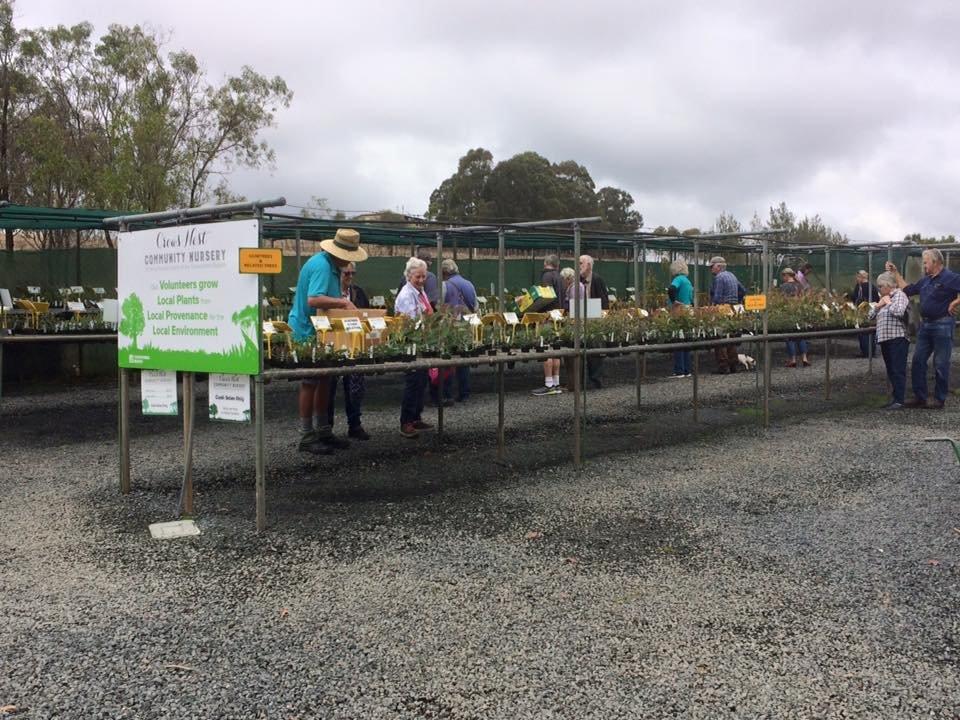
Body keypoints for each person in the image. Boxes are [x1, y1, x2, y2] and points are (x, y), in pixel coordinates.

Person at [287, 228, 368, 454]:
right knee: (311, 380)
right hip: (307, 331)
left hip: (321, 330)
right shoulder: (323, 266)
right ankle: (306, 435)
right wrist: (343, 303)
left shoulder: (330, 266)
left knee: (325, 379)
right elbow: (313, 299)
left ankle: (323, 430)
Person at [887, 249, 960, 409]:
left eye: (926, 262)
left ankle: (939, 399)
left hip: (943, 324)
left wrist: (955, 303)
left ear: (936, 262)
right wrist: (896, 273)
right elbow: (908, 289)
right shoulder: (926, 280)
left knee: (941, 363)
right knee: (918, 361)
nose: (924, 265)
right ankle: (920, 397)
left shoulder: (951, 277)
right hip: (925, 326)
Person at [325, 262, 370, 440]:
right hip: (334, 345)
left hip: (354, 344)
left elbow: (365, 313)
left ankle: (355, 424)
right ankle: (327, 426)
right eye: (346, 273)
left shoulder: (358, 292)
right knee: (329, 387)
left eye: (353, 273)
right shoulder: (330, 294)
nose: (350, 277)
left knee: (355, 387)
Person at [395, 257, 435, 438]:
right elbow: (411, 323)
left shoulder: (420, 292)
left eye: (423, 276)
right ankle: (406, 422)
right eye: (417, 277)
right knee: (413, 382)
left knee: (421, 381)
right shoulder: (406, 295)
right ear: (409, 276)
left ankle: (416, 417)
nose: (421, 280)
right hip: (411, 342)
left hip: (422, 341)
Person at [434, 258, 477, 403]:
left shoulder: (444, 285)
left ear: (444, 272)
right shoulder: (469, 284)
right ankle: (464, 393)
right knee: (464, 360)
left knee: (448, 360)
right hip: (467, 326)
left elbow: (439, 307)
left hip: (450, 327)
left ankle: (447, 394)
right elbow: (476, 307)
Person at [868, 272, 910, 409]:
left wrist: (888, 302)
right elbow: (869, 316)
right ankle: (895, 399)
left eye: (880, 286)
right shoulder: (883, 298)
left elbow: (899, 312)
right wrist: (878, 306)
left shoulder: (900, 295)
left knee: (898, 369)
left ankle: (899, 400)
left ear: (888, 285)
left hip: (897, 337)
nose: (879, 288)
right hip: (886, 339)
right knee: (891, 370)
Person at [532, 254, 565, 396]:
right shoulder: (560, 277)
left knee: (546, 350)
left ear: (545, 263)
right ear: (557, 265)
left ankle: (549, 384)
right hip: (558, 315)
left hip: (547, 316)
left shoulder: (547, 276)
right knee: (556, 350)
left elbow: (545, 297)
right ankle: (556, 383)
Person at [708, 255, 746, 374]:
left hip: (723, 308)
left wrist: (712, 309)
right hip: (734, 309)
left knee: (720, 338)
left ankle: (723, 366)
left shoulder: (719, 278)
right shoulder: (732, 276)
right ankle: (734, 364)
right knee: (732, 337)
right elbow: (743, 290)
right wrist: (737, 301)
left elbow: (718, 297)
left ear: (718, 266)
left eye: (712, 266)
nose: (711, 269)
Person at [579, 254, 609, 388]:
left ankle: (596, 381)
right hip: (580, 318)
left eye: (581, 263)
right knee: (581, 349)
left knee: (596, 350)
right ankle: (582, 381)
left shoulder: (597, 280)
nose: (579, 266)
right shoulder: (578, 280)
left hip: (595, 319)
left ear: (589, 266)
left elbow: (604, 302)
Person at [667, 259, 693, 378]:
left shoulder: (678, 279)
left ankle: (679, 371)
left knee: (678, 340)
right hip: (688, 310)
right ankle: (687, 370)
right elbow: (691, 298)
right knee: (686, 341)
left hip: (678, 311)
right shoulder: (687, 281)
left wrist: (674, 301)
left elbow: (671, 289)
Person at [779, 268, 810, 367]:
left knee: (790, 337)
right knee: (801, 336)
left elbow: (782, 300)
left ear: (787, 275)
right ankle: (804, 358)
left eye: (783, 276)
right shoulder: (799, 285)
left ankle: (793, 360)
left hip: (789, 313)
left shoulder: (784, 286)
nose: (783, 278)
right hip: (799, 312)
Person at [848, 270, 879, 357]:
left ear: (861, 277)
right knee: (871, 331)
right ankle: (871, 351)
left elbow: (855, 298)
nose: (856, 279)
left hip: (863, 311)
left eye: (857, 277)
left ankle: (866, 352)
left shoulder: (860, 287)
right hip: (873, 310)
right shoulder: (872, 286)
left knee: (863, 331)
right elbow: (877, 299)